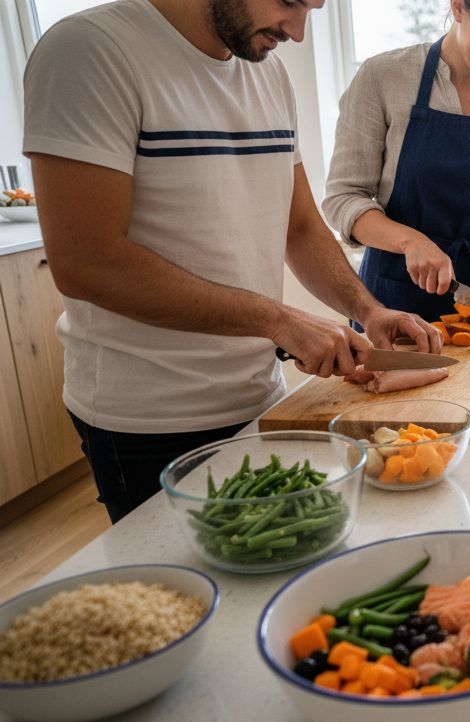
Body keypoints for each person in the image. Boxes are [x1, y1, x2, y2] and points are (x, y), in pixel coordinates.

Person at [23, 0, 441, 524]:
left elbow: (300, 226)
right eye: (290, 2)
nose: (298, 31)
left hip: (261, 401)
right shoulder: (91, 50)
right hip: (149, 420)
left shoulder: (267, 74)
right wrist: (279, 320)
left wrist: (367, 309)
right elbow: (88, 262)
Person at [323, 0, 470, 326]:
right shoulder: (383, 78)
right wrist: (410, 241)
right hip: (395, 301)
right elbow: (344, 199)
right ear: (459, 7)